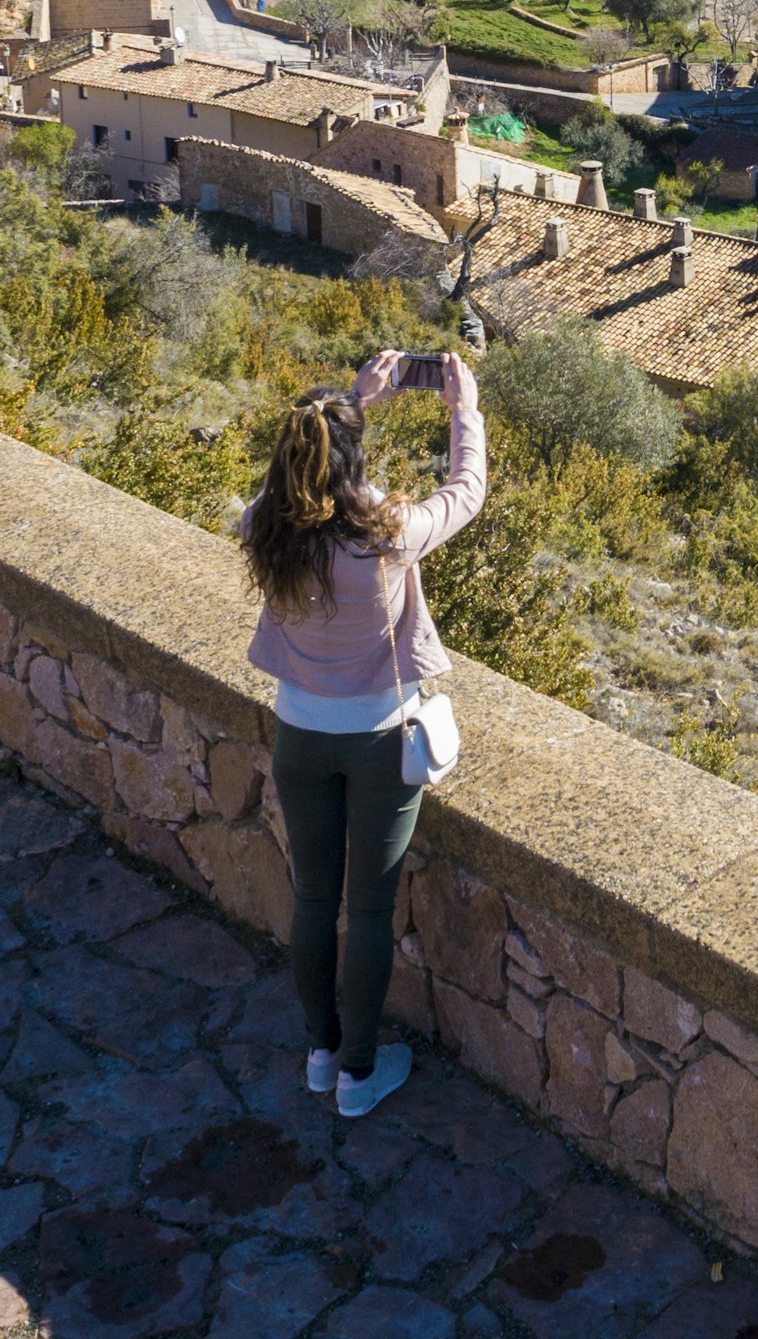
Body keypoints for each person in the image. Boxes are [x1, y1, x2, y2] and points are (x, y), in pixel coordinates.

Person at [238, 346, 486, 1117]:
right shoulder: (386, 533)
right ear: (352, 453)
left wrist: (352, 400)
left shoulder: (265, 525)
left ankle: (320, 1054)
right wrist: (461, 409)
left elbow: (296, 472)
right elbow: (466, 491)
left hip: (300, 737)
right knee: (368, 911)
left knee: (314, 900)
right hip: (380, 739)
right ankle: (358, 1075)